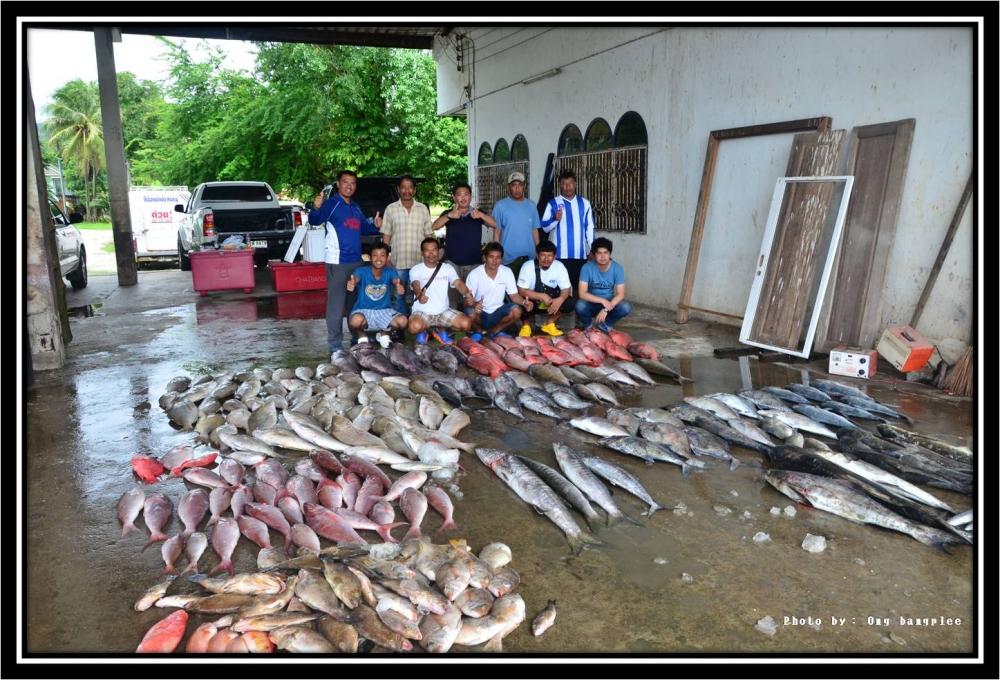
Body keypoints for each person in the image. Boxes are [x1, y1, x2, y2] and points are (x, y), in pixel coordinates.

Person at [309, 170, 382, 352]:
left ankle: (356, 338)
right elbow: (315, 220)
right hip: (337, 262)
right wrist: (315, 207)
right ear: (338, 184)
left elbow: (365, 228)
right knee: (336, 305)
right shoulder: (332, 204)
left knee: (354, 304)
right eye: (345, 182)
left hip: (356, 262)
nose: (349, 186)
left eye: (353, 183)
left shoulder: (355, 207)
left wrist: (375, 225)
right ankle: (335, 345)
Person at [432, 182, 496, 308]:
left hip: (474, 263)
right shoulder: (448, 213)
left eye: (466, 194)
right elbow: (434, 226)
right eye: (459, 195)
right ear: (454, 197)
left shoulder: (477, 213)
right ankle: (454, 321)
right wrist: (449, 216)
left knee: (472, 297)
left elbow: (494, 224)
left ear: (471, 196)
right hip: (452, 263)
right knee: (452, 299)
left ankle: (469, 321)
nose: (463, 197)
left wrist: (481, 215)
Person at [380, 175, 434, 314]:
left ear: (414, 190)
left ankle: (419, 325)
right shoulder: (391, 209)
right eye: (403, 187)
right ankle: (400, 326)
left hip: (420, 262)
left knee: (421, 294)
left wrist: (432, 256)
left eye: (410, 187)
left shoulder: (423, 209)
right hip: (398, 263)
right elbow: (386, 235)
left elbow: (429, 235)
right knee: (398, 296)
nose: (407, 190)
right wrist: (386, 258)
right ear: (398, 189)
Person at [407, 237, 475, 344]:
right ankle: (424, 331)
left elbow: (458, 283)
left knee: (466, 323)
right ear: (422, 253)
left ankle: (439, 329)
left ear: (439, 251)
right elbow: (416, 284)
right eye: (427, 250)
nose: (431, 253)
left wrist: (467, 294)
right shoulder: (416, 269)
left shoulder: (447, 268)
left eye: (434, 250)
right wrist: (420, 295)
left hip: (443, 311)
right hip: (423, 312)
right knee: (414, 327)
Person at [540, 170, 594, 295]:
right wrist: (555, 219)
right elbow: (544, 227)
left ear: (575, 184)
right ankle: (559, 310)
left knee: (578, 286)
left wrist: (593, 249)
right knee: (560, 286)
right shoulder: (553, 203)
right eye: (564, 184)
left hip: (579, 254)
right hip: (559, 254)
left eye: (570, 183)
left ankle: (578, 311)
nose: (567, 187)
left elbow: (589, 228)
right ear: (560, 185)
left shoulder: (585, 203)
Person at [464, 242, 534, 339]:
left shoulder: (507, 272)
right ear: (485, 258)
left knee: (517, 310)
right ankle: (478, 330)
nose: (494, 261)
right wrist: (475, 304)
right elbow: (466, 302)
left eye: (498, 257)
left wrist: (523, 302)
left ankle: (495, 330)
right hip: (480, 314)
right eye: (491, 257)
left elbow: (513, 296)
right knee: (469, 312)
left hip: (498, 314)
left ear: (501, 259)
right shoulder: (474, 274)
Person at [346, 242, 407, 347]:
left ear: (388, 257)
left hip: (384, 311)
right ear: (369, 258)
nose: (378, 259)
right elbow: (355, 278)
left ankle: (383, 333)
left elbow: (396, 281)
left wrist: (399, 286)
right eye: (375, 255)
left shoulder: (391, 272)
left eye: (382, 255)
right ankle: (362, 335)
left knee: (403, 321)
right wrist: (352, 282)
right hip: (363, 311)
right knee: (355, 321)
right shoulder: (361, 271)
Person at [516, 241, 574, 337]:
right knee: (521, 301)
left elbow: (566, 289)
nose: (546, 259)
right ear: (537, 256)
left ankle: (549, 324)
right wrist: (541, 296)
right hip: (532, 303)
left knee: (569, 302)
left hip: (550, 303)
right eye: (543, 255)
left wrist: (560, 300)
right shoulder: (527, 266)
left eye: (550, 256)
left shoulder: (559, 266)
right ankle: (526, 326)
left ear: (554, 256)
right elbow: (521, 290)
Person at [575, 237, 632, 331]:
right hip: (592, 303)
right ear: (594, 254)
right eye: (599, 253)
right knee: (580, 305)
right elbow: (582, 294)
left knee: (625, 307)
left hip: (609, 303)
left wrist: (606, 308)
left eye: (606, 253)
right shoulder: (586, 268)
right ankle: (588, 326)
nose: (603, 256)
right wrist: (602, 301)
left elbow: (620, 294)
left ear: (610, 253)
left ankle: (605, 324)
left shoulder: (617, 268)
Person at [491, 171, 540, 275]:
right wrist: (497, 255)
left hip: (529, 258)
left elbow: (534, 230)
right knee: (510, 290)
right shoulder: (500, 206)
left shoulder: (531, 206)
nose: (517, 189)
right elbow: (497, 232)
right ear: (509, 187)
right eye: (514, 185)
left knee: (527, 290)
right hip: (508, 259)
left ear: (524, 186)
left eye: (520, 185)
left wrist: (538, 251)